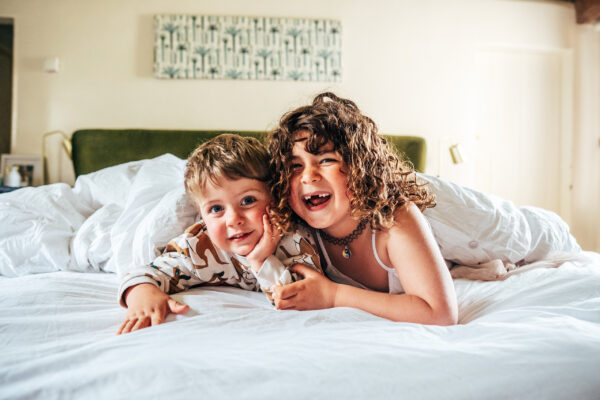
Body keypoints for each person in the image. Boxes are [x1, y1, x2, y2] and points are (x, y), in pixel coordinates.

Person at [267, 92, 458, 325]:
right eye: (295, 166)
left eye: (327, 160)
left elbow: (440, 313)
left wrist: (333, 295)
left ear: (359, 167)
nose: (308, 176)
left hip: (449, 219)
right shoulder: (294, 232)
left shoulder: (394, 218)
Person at [117, 134, 322, 335]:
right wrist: (141, 294)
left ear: (275, 198)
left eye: (248, 200)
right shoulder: (200, 247)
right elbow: (144, 272)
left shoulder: (294, 239)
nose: (234, 219)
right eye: (216, 209)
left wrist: (261, 259)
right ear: (202, 216)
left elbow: (298, 296)